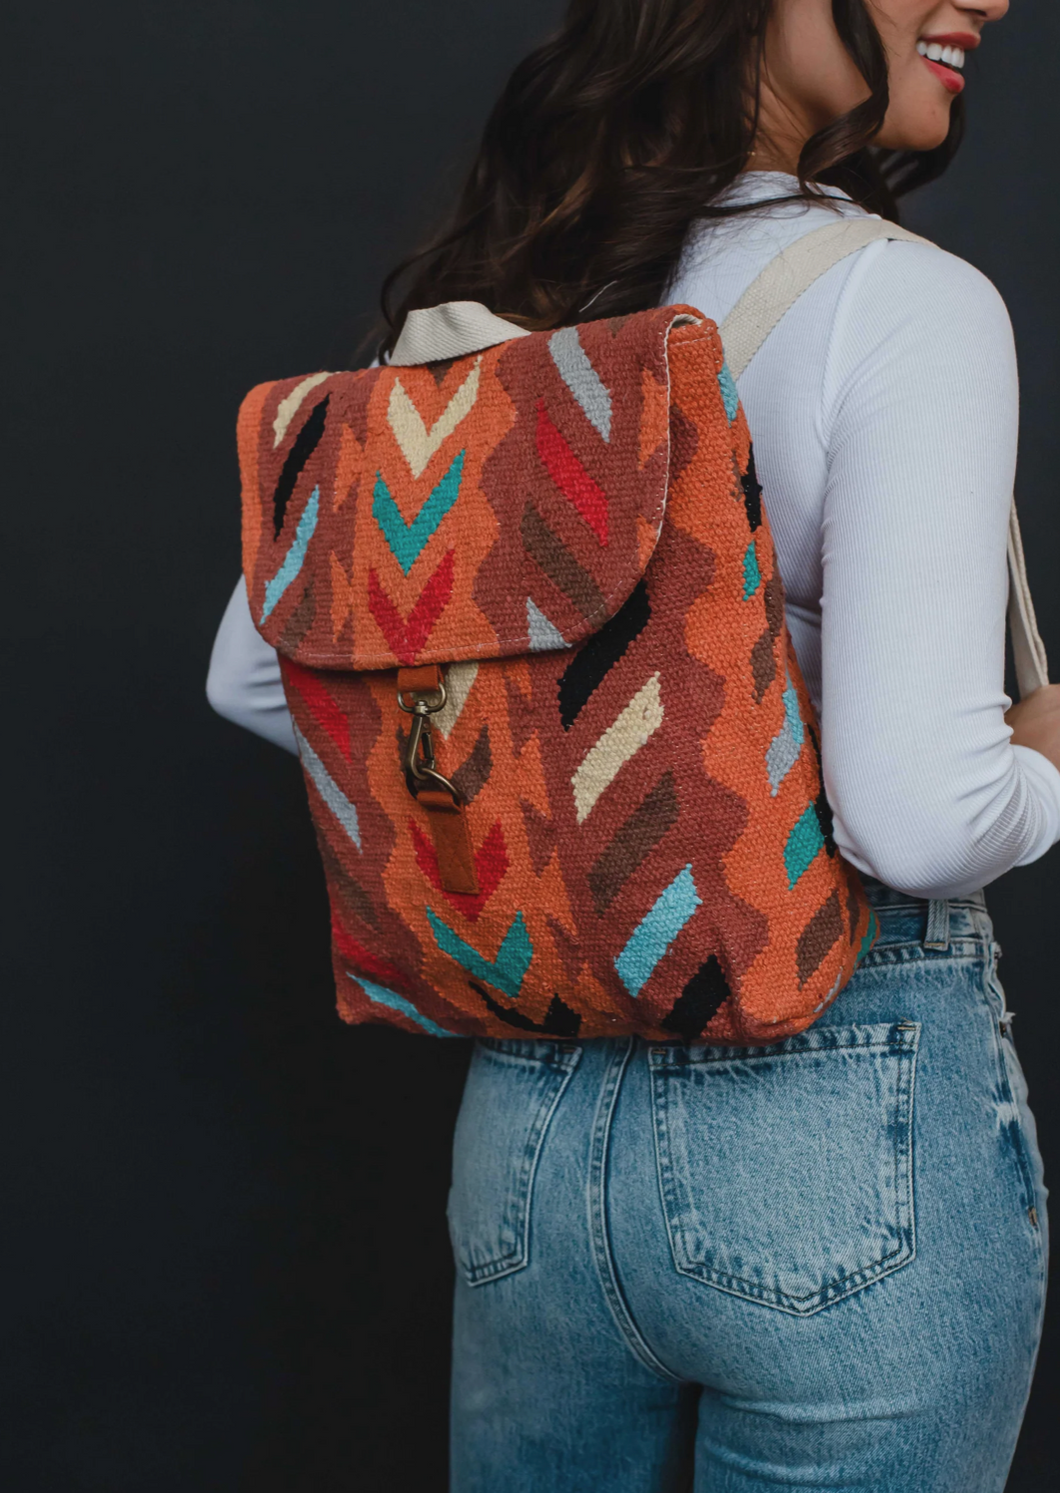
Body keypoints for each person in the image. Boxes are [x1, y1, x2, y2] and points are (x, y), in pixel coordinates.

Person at [207, 1, 1055, 1487]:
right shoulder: (898, 303)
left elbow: (256, 674)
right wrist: (1041, 754)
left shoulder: (515, 299)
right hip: (834, 1113)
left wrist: (548, 782)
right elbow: (918, 819)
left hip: (534, 1133)